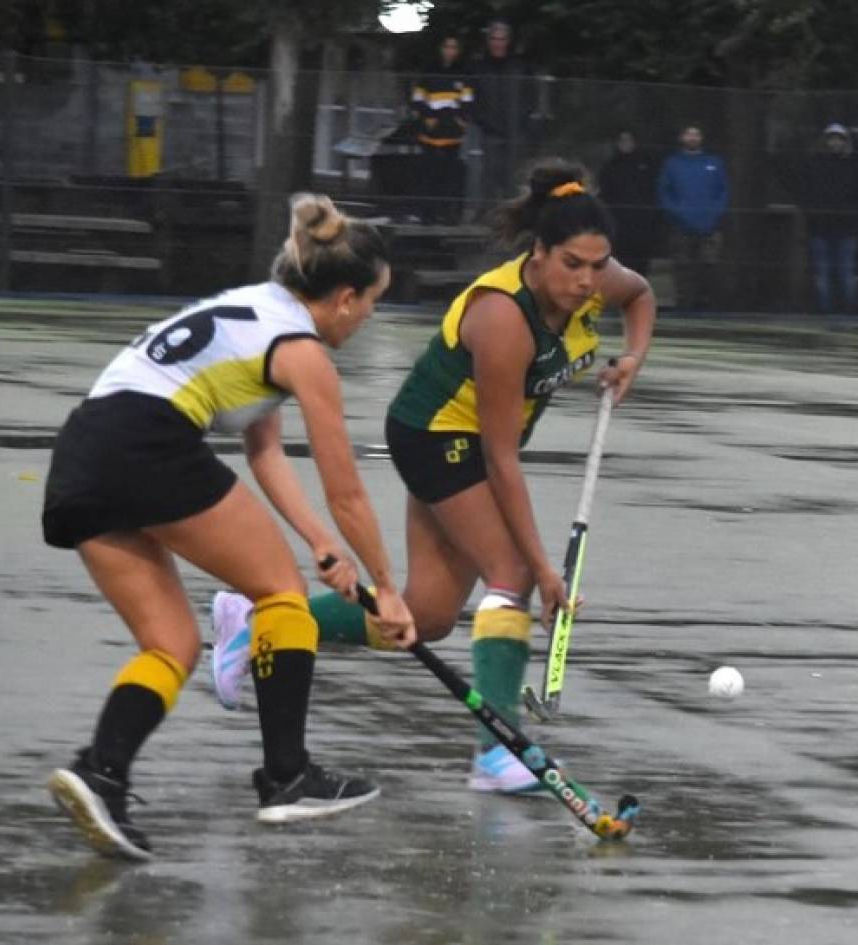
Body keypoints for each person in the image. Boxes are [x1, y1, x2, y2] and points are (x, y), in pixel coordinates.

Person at [210, 158, 656, 795]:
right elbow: (499, 460)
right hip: (437, 438)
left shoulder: (596, 281)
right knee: (512, 574)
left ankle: (259, 624)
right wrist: (543, 569)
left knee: (429, 614)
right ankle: (498, 752)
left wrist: (633, 356)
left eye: (597, 265)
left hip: (473, 443)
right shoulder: (502, 318)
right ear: (539, 252)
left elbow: (640, 296)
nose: (587, 280)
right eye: (572, 264)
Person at [41, 194, 416, 861]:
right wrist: (387, 588)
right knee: (282, 595)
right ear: (346, 298)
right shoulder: (304, 353)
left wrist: (320, 541)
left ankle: (101, 771)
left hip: (83, 453)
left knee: (172, 644)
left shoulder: (256, 310)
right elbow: (347, 490)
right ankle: (288, 776)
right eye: (373, 302)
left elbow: (263, 450)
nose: (369, 317)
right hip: (147, 442)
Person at [797, 122, 858, 314]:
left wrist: (851, 215)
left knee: (846, 272)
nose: (835, 142)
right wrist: (813, 214)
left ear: (845, 142)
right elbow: (805, 194)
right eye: (832, 138)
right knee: (823, 273)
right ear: (825, 141)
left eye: (839, 139)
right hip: (820, 228)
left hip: (846, 229)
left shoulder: (854, 167)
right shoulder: (814, 165)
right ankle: (825, 311)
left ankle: (850, 311)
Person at [657, 124, 729, 311]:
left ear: (701, 137)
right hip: (681, 226)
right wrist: (677, 213)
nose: (692, 138)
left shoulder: (714, 162)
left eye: (696, 134)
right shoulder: (672, 163)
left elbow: (723, 192)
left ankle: (706, 306)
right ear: (682, 137)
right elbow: (664, 193)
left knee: (709, 268)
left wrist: (714, 214)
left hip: (709, 226)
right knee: (682, 268)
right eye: (689, 134)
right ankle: (683, 306)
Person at [469, 20, 535, 208]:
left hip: (515, 130)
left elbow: (531, 95)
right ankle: (487, 215)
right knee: (489, 174)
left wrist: (523, 119)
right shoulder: (478, 67)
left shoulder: (520, 66)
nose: (498, 43)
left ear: (508, 41)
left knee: (513, 177)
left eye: (502, 39)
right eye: (494, 39)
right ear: (488, 41)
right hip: (489, 131)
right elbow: (472, 97)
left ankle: (513, 215)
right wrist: (481, 120)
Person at [410, 34, 473, 224]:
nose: (450, 51)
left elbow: (467, 102)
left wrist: (460, 121)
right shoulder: (429, 72)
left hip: (452, 135)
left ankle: (448, 215)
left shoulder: (463, 73)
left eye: (454, 47)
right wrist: (429, 118)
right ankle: (427, 215)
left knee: (450, 176)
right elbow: (417, 99)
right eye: (447, 46)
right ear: (440, 49)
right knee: (429, 175)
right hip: (430, 134)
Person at [598, 130, 660, 276]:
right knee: (621, 261)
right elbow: (605, 194)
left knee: (642, 261)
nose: (625, 144)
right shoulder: (610, 166)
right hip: (619, 223)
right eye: (622, 140)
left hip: (642, 222)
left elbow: (652, 191)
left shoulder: (647, 164)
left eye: (629, 140)